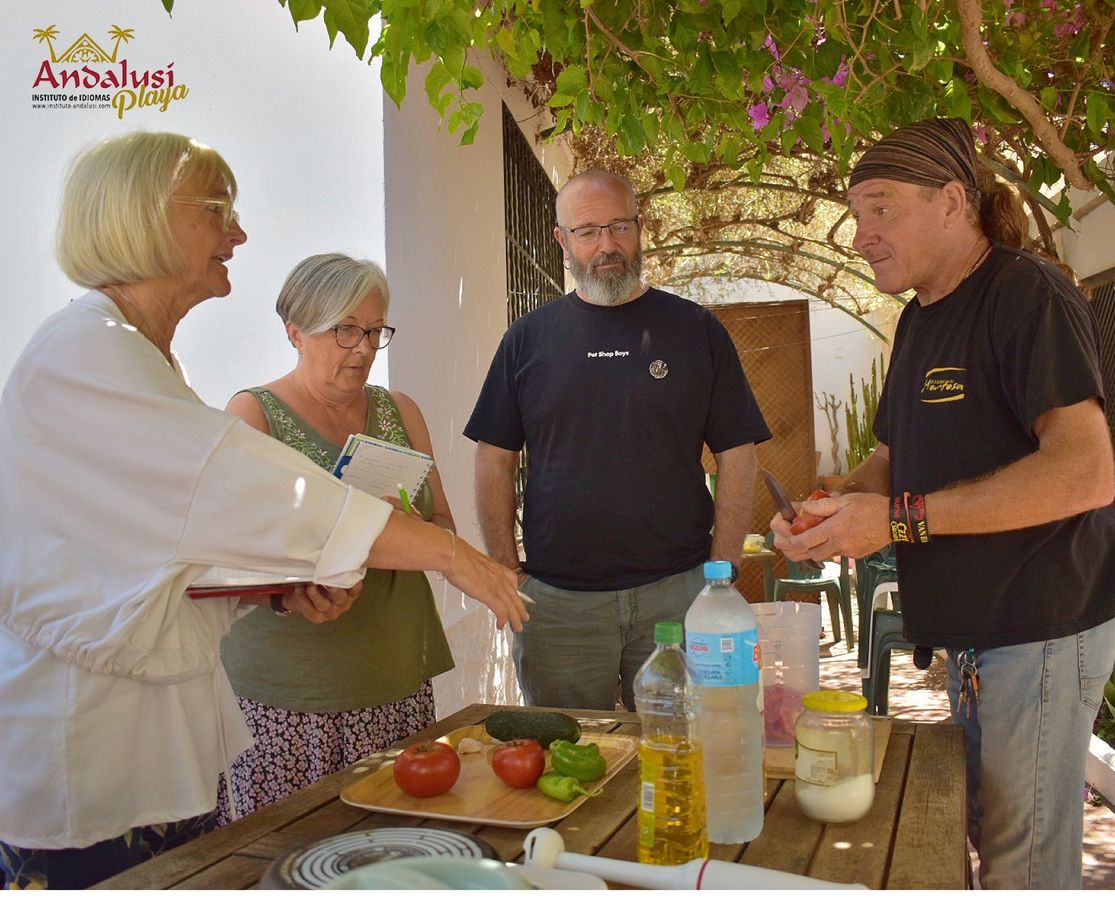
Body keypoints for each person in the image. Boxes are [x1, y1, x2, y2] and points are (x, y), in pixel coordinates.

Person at [0, 132, 526, 890]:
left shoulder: (139, 356)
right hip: (89, 768)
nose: (240, 233)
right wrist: (451, 554)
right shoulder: (89, 354)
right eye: (217, 210)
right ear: (143, 218)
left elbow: (177, 548)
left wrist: (276, 590)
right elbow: (255, 493)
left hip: (148, 762)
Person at [770, 118, 1115, 889]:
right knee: (988, 845)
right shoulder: (919, 320)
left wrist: (897, 520)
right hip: (973, 635)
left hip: (1039, 625)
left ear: (954, 202)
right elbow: (891, 459)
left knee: (1022, 870)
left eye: (882, 208)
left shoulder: (1029, 295)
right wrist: (834, 506)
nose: (861, 236)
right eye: (857, 214)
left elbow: (1085, 471)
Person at [465, 169, 772, 711]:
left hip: (678, 595)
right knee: (568, 750)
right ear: (562, 240)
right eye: (587, 231)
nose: (606, 245)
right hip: (558, 607)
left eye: (619, 227)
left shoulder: (696, 330)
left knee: (684, 745)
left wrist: (721, 575)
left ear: (640, 227)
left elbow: (738, 453)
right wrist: (506, 572)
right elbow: (494, 457)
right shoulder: (527, 340)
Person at [218, 253, 456, 820]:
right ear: (295, 331)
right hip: (290, 695)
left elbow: (445, 526)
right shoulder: (253, 415)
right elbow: (233, 556)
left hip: (394, 677)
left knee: (395, 845)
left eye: (374, 331)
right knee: (290, 850)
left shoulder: (400, 411)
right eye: (345, 329)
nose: (363, 348)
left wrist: (404, 531)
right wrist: (350, 534)